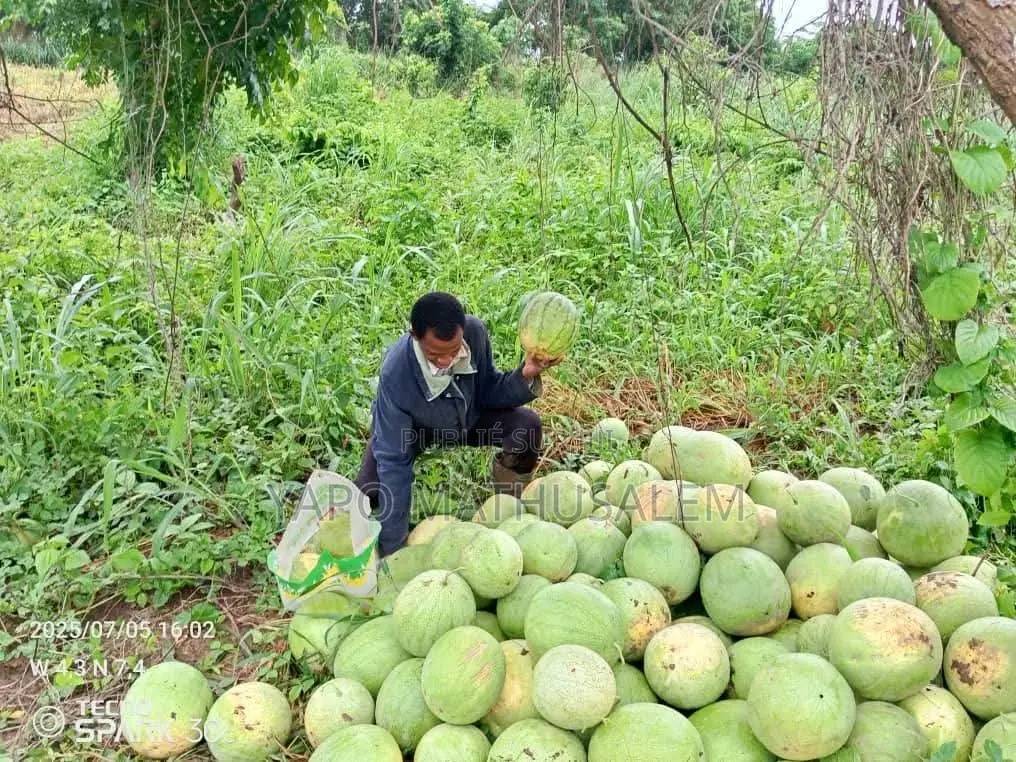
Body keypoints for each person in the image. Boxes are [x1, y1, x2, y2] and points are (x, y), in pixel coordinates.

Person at [355, 292, 561, 556]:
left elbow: (489, 391)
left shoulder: (474, 333)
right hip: (413, 432)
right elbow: (394, 461)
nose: (445, 361)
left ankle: (510, 507)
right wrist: (394, 551)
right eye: (434, 354)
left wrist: (525, 374)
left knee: (526, 426)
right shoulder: (396, 373)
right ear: (415, 336)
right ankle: (371, 536)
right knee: (370, 486)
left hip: (469, 420)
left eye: (453, 352)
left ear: (462, 332)